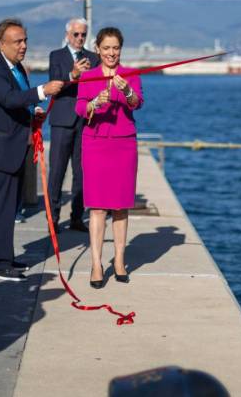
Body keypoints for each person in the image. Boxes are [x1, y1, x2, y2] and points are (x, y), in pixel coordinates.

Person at [0, 19, 63, 281]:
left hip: (12, 146)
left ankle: (0, 256)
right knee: (0, 207)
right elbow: (8, 98)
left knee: (8, 207)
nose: (23, 46)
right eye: (17, 42)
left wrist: (34, 111)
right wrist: (43, 90)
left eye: (25, 40)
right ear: (1, 44)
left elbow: (17, 99)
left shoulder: (14, 66)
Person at [75, 27, 143, 288]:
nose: (111, 53)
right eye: (106, 48)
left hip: (124, 145)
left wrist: (125, 91)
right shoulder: (88, 76)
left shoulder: (130, 74)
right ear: (98, 49)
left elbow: (137, 102)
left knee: (120, 206)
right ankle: (95, 263)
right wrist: (95, 103)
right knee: (98, 207)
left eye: (115, 48)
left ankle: (119, 260)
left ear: (120, 49)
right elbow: (80, 107)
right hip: (95, 146)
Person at [48, 18, 99, 232]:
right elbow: (55, 83)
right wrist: (73, 75)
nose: (80, 38)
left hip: (85, 122)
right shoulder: (56, 56)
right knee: (57, 172)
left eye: (83, 35)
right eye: (76, 34)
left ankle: (77, 217)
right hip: (62, 121)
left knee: (82, 172)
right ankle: (54, 219)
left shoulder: (93, 58)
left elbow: (98, 85)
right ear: (68, 35)